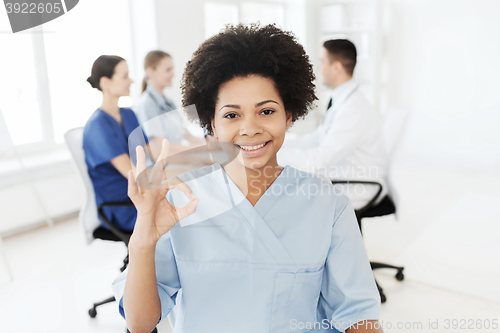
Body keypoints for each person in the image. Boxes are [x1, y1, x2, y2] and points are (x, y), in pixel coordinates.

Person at [112, 24, 384, 333]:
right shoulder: (179, 200)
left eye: (266, 111)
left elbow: (358, 315)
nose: (250, 128)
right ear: (210, 125)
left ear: (289, 116)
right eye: (231, 115)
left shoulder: (328, 206)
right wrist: (143, 241)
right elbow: (140, 323)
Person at [278, 39, 387, 210]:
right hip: (343, 173)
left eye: (322, 62)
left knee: (284, 192)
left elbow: (320, 159)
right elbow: (318, 137)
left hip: (356, 185)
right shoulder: (343, 99)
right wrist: (279, 145)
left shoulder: (353, 109)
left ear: (336, 67)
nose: (319, 69)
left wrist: (273, 156)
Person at [83, 55, 146, 232]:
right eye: (125, 76)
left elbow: (151, 153)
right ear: (105, 82)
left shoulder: (129, 115)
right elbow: (134, 173)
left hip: (141, 195)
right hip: (122, 206)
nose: (131, 81)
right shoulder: (97, 126)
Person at [134, 50, 205, 158]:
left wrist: (206, 143)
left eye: (172, 69)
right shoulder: (146, 104)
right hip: (162, 165)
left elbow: (185, 134)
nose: (173, 74)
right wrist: (201, 148)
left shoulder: (168, 102)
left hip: (176, 159)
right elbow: (162, 146)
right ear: (150, 73)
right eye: (168, 70)